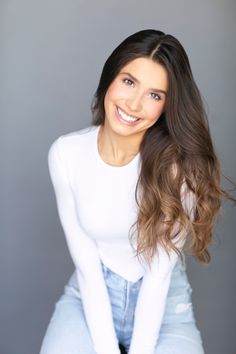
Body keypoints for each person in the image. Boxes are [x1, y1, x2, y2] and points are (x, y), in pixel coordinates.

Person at [40, 29, 235, 354]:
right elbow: (87, 269)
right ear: (110, 78)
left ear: (166, 107)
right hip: (89, 296)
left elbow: (158, 277)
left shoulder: (179, 169)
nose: (134, 104)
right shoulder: (66, 154)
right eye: (129, 82)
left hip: (166, 303)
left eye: (155, 95)